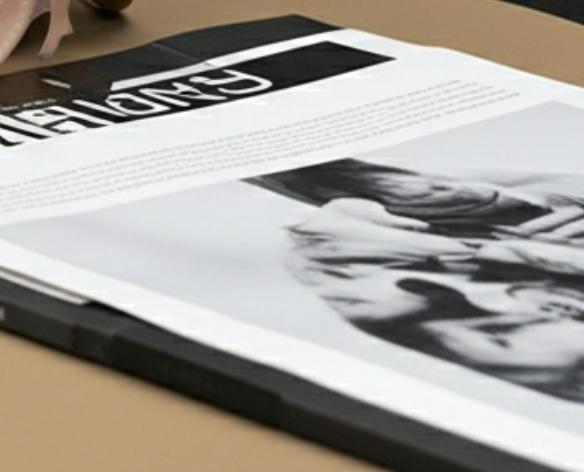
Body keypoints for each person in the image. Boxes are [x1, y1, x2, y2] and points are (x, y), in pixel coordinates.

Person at [245, 157, 584, 404]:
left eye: (494, 328)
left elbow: (340, 222)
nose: (498, 298)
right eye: (565, 309)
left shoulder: (372, 290)